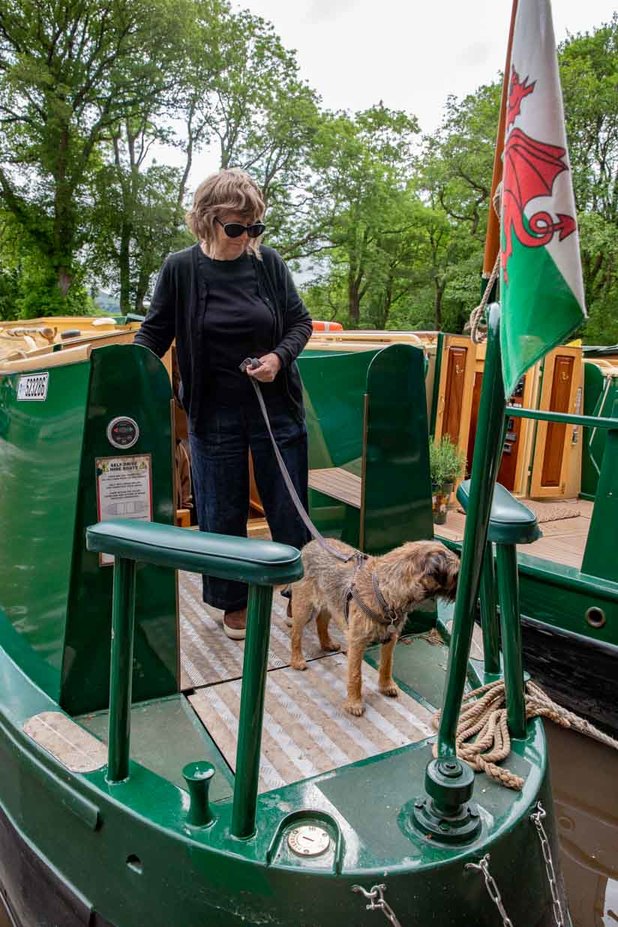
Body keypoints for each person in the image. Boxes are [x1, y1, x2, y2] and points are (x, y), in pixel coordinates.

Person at [135, 168, 312, 639]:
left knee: (288, 504)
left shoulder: (268, 264)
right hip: (213, 411)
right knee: (220, 509)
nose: (246, 237)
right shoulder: (180, 268)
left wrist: (277, 358)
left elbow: (300, 323)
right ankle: (232, 602)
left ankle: (301, 590)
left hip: (275, 408)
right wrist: (124, 374)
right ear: (206, 221)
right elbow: (154, 333)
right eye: (236, 227)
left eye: (255, 228)